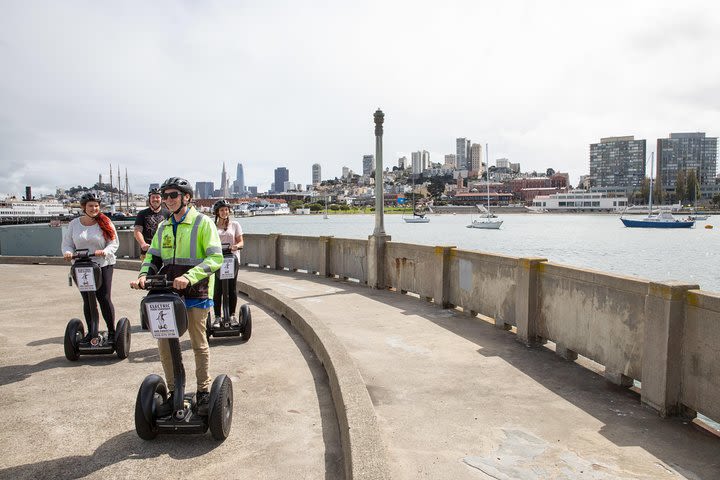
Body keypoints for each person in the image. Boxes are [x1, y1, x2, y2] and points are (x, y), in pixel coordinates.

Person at [130, 177, 222, 415]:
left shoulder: (203, 223)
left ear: (186, 197)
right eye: (165, 195)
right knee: (165, 345)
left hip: (196, 292)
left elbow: (215, 259)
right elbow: (153, 256)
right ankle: (174, 393)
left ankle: (203, 392)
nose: (168, 200)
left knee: (198, 343)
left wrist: (190, 277)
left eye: (173, 195)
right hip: (167, 293)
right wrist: (143, 275)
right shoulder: (164, 226)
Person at [61, 192, 119, 342]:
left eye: (96, 206)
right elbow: (67, 243)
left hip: (102, 264)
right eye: (91, 206)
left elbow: (113, 243)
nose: (94, 208)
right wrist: (68, 252)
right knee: (87, 299)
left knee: (103, 298)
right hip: (82, 266)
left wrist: (105, 251)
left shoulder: (105, 222)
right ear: (83, 207)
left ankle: (112, 332)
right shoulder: (74, 224)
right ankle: (92, 332)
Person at [211, 199, 244, 325]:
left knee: (232, 288)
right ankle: (218, 317)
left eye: (226, 210)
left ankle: (232, 315)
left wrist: (236, 246)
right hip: (217, 260)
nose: (224, 212)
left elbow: (241, 242)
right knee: (218, 289)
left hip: (232, 260)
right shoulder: (213, 226)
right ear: (217, 212)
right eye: (221, 210)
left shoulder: (235, 225)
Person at [133, 187, 170, 259]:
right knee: (147, 270)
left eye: (157, 197)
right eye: (153, 197)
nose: (155, 199)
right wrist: (142, 244)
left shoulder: (168, 213)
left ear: (161, 199)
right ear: (149, 199)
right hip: (147, 251)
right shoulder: (142, 213)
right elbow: (137, 231)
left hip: (164, 251)